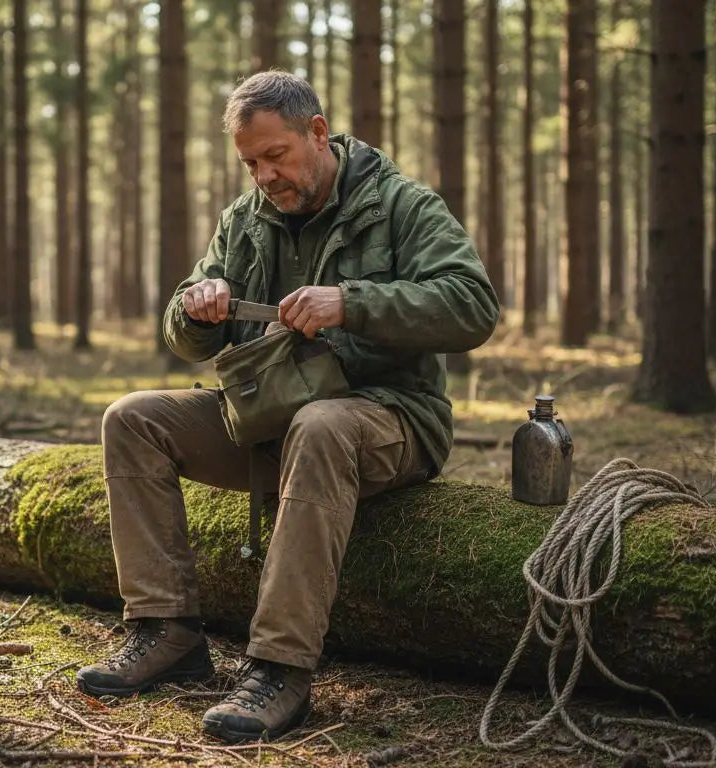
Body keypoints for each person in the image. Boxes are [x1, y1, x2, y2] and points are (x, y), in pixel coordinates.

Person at [75, 70, 500, 744]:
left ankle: (280, 669)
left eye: (276, 155)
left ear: (318, 134)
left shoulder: (402, 205)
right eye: (250, 162)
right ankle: (165, 633)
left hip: (387, 417)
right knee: (132, 418)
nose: (264, 174)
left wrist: (354, 301)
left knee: (321, 425)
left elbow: (474, 306)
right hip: (269, 413)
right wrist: (198, 308)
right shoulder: (245, 221)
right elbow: (180, 333)